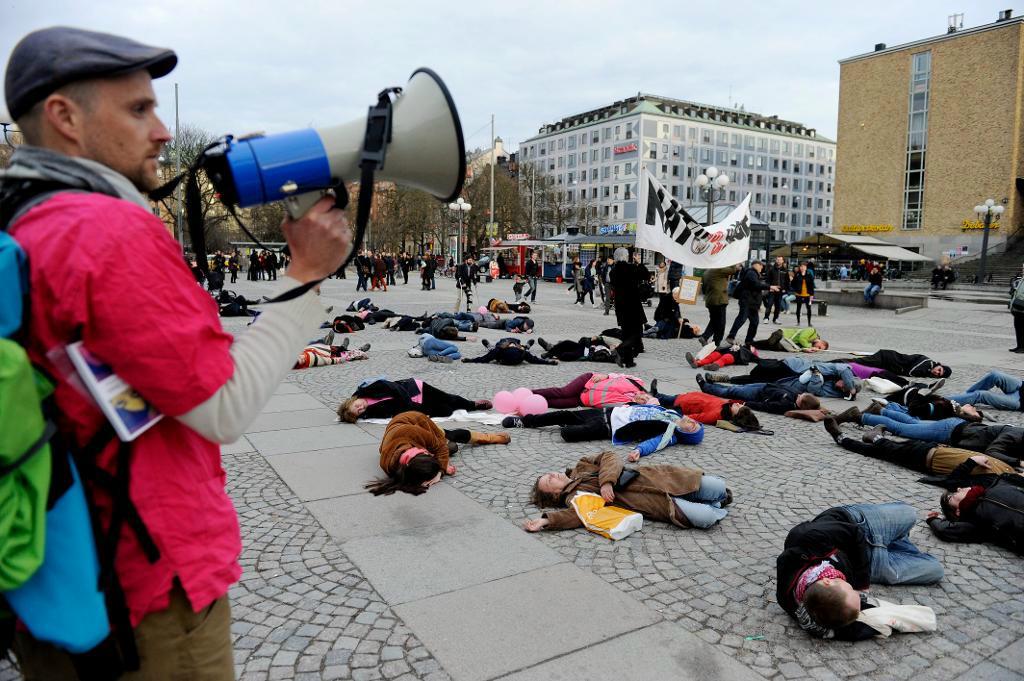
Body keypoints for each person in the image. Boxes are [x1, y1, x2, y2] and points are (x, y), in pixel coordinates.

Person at [0, 25, 352, 678]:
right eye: (139, 109)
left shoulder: (26, 214)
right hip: (146, 589)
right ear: (64, 117)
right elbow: (222, 406)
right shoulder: (104, 229)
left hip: (67, 575)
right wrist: (305, 274)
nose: (162, 130)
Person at [777, 503, 943, 640]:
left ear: (828, 581)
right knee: (936, 570)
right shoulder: (825, 608)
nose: (859, 593)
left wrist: (862, 584)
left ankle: (894, 541)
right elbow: (847, 624)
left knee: (911, 514)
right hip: (871, 563)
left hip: (859, 526)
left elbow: (855, 534)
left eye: (850, 589)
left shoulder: (806, 538)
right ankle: (896, 541)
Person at [523, 452, 731, 532]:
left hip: (659, 478)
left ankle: (715, 497)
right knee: (705, 519)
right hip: (654, 502)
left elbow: (610, 457)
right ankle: (712, 505)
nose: (553, 474)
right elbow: (576, 515)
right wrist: (546, 521)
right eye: (549, 480)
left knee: (718, 487)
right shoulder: (574, 497)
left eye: (550, 473)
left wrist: (606, 482)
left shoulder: (582, 466)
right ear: (555, 494)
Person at [365, 412, 510, 496]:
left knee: (449, 437)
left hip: (414, 420)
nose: (428, 452)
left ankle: (491, 437)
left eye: (427, 453)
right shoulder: (393, 467)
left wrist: (440, 470)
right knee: (452, 448)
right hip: (399, 438)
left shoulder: (413, 432)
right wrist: (438, 468)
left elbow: (440, 446)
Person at [503, 403, 703, 461]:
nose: (692, 423)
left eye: (693, 428)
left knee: (568, 434)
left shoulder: (669, 434)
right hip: (606, 411)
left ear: (685, 434)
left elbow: (654, 443)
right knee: (564, 413)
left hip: (607, 427)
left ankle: (568, 430)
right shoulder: (669, 413)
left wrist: (639, 451)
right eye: (695, 423)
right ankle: (524, 422)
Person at [824, 429, 1019, 475]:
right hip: (934, 449)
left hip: (925, 459)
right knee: (884, 449)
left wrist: (971, 462)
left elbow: (956, 482)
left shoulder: (998, 479)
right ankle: (873, 437)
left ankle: (844, 438)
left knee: (880, 450)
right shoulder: (1010, 468)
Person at [926, 472, 1024, 554]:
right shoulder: (976, 522)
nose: (958, 488)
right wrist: (932, 519)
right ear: (958, 511)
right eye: (951, 496)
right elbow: (944, 530)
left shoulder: (999, 482)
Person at [338, 379, 492, 422]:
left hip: (413, 388)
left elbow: (390, 386)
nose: (361, 408)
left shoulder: (366, 390)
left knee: (448, 398)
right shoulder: (370, 413)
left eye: (357, 406)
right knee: (445, 410)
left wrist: (407, 404)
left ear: (352, 400)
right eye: (359, 411)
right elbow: (393, 413)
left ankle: (473, 404)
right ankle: (458, 407)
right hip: (415, 405)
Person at [693, 377, 821, 415]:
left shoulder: (786, 404)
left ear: (801, 404)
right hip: (765, 384)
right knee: (735, 388)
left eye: (801, 396)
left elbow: (765, 406)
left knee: (730, 392)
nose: (799, 394)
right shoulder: (795, 396)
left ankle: (706, 387)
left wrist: (747, 404)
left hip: (758, 395)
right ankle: (712, 385)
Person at [528, 371, 657, 409]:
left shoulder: (627, 406)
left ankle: (529, 404)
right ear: (647, 394)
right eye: (646, 397)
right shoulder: (637, 383)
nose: (643, 399)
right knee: (563, 392)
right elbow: (622, 375)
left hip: (582, 400)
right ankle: (529, 393)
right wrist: (607, 376)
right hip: (589, 381)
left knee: (556, 403)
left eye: (644, 402)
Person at [647, 389, 761, 430]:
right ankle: (655, 394)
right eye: (741, 405)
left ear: (736, 416)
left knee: (666, 401)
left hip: (685, 404)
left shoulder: (717, 414)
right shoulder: (727, 405)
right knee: (667, 398)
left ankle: (652, 398)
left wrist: (681, 418)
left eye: (739, 408)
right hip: (689, 398)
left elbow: (699, 417)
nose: (738, 404)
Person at [726, 260, 775, 346]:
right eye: (761, 265)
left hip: (752, 303)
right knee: (742, 319)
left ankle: (749, 340)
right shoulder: (751, 273)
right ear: (756, 265)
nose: (762, 267)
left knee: (754, 322)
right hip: (747, 301)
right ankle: (731, 336)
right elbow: (755, 285)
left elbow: (755, 286)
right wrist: (769, 287)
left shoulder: (753, 273)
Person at [610, 247, 647, 352]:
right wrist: (639, 263)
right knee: (636, 325)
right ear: (626, 257)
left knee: (625, 326)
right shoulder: (631, 268)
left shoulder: (613, 271)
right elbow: (645, 275)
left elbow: (613, 285)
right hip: (633, 301)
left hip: (621, 302)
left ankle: (628, 345)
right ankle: (638, 346)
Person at [946, 370, 1024, 411]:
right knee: (995, 375)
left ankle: (941, 401)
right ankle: (966, 397)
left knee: (981, 395)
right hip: (1021, 385)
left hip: (1019, 401)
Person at [697, 265, 732, 347]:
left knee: (714, 321)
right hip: (719, 300)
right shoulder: (719, 270)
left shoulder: (706, 272)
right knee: (721, 323)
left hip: (710, 300)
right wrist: (733, 262)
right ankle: (716, 343)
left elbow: (704, 289)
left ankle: (705, 337)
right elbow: (733, 270)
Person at [462, 337, 555, 365]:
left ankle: (489, 346)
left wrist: (470, 360)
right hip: (515, 355)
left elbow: (485, 358)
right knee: (525, 349)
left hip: (505, 354)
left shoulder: (500, 348)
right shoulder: (520, 350)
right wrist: (549, 362)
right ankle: (528, 345)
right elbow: (534, 359)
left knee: (493, 350)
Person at [536, 336, 618, 363]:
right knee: (566, 342)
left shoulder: (609, 354)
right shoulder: (607, 343)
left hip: (584, 354)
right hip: (583, 346)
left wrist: (613, 351)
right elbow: (593, 339)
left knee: (566, 355)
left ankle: (550, 348)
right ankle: (549, 353)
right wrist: (595, 338)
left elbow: (615, 359)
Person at [685, 342, 758, 371]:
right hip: (724, 351)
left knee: (725, 358)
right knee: (713, 355)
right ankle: (697, 363)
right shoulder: (739, 345)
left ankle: (715, 365)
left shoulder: (749, 352)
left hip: (734, 356)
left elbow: (754, 357)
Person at [752, 327, 829, 353]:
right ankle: (751, 344)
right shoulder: (812, 331)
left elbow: (798, 348)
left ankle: (751, 346)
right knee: (770, 343)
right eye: (819, 347)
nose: (817, 349)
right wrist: (809, 346)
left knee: (773, 347)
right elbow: (801, 338)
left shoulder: (810, 343)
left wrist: (806, 349)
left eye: (818, 350)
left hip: (785, 342)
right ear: (821, 341)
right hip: (782, 333)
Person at [764, 256, 788, 324]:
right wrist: (769, 287)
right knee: (769, 304)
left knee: (778, 306)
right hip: (772, 290)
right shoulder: (771, 269)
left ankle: (775, 319)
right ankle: (766, 318)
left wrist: (785, 289)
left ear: (783, 261)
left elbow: (787, 281)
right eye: (777, 260)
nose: (778, 261)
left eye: (780, 260)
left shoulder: (785, 270)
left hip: (780, 291)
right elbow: (767, 280)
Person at [790, 261, 814, 326]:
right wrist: (796, 289)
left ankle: (809, 322)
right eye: (801, 266)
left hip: (807, 294)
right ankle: (798, 322)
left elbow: (812, 285)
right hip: (799, 294)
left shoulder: (809, 274)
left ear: (806, 268)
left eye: (803, 266)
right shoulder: (797, 274)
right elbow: (792, 283)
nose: (802, 268)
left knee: (808, 308)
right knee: (798, 308)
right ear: (799, 267)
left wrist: (812, 295)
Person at [1009, 266, 1024, 353]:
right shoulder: (1022, 279)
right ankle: (1019, 346)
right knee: (1018, 327)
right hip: (1017, 308)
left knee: (1022, 328)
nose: (1022, 270)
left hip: (1023, 308)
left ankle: (1022, 347)